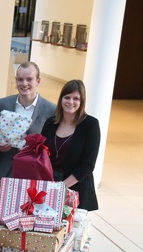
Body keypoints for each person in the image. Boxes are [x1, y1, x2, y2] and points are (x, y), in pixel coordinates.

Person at [41, 79, 101, 211]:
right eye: (67, 97)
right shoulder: (51, 123)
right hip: (50, 185)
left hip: (75, 188)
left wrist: (61, 187)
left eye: (76, 98)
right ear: (61, 99)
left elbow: (88, 165)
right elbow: (41, 154)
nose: (71, 102)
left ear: (82, 102)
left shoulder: (91, 125)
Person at [0, 61, 56, 179]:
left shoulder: (51, 110)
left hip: (33, 172)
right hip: (4, 169)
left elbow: (51, 146)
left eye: (29, 79)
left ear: (38, 81)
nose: (24, 83)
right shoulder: (3, 104)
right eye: (20, 79)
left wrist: (35, 150)